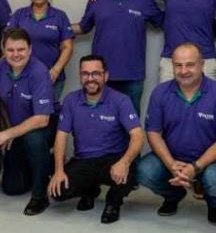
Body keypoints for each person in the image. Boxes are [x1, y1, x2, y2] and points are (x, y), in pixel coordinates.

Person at [136, 43, 216, 226]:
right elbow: (153, 132)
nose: (183, 71)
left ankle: (215, 204)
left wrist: (195, 167)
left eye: (190, 65)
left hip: (212, 160)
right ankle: (173, 195)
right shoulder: (160, 92)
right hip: (173, 157)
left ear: (202, 64)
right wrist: (171, 164)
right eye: (178, 65)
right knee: (144, 171)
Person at [48, 55, 145, 223]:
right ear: (80, 76)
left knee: (129, 176)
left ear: (105, 76)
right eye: (85, 74)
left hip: (112, 160)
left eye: (96, 73)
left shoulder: (120, 100)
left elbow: (137, 135)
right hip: (83, 160)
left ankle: (113, 202)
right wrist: (59, 171)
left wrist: (124, 162)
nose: (90, 78)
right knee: (58, 192)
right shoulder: (71, 100)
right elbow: (61, 136)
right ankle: (90, 191)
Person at [74, 0, 163, 114]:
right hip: (100, 75)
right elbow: (83, 27)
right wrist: (56, 27)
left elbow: (165, 22)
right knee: (100, 122)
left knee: (131, 125)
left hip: (133, 76)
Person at [0, 28, 55, 216]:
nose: (16, 55)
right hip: (16, 127)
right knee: (12, 188)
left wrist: (6, 134)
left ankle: (40, 196)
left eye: (21, 49)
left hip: (41, 127)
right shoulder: (0, 67)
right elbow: (2, 101)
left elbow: (42, 119)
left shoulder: (39, 72)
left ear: (30, 49)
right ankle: (43, 168)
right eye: (10, 50)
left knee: (34, 139)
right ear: (3, 50)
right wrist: (8, 127)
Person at [7, 0, 74, 101]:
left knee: (47, 112)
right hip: (22, 77)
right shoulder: (19, 15)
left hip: (51, 78)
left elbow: (68, 47)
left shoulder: (60, 16)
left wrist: (56, 70)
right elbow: (6, 42)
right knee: (24, 111)